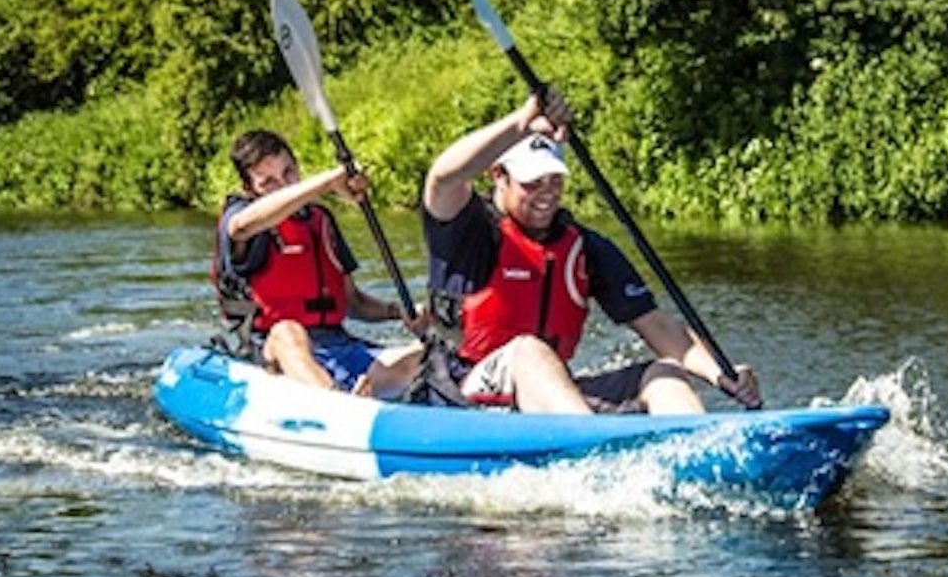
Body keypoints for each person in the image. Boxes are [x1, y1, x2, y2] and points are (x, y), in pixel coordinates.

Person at [421, 89, 761, 414]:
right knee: (529, 351)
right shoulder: (465, 229)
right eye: (532, 183)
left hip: (551, 397)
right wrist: (521, 123)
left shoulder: (584, 247)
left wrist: (720, 373)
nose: (546, 194)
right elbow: (442, 178)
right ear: (499, 176)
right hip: (464, 391)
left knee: (664, 373)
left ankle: (699, 444)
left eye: (554, 180)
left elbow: (656, 325)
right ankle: (591, 449)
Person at [214, 129, 425, 396]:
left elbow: (353, 302)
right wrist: (329, 181)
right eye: (268, 181)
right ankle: (337, 400)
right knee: (288, 332)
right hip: (270, 349)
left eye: (289, 172)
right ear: (249, 189)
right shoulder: (242, 219)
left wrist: (400, 311)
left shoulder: (320, 220)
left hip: (336, 345)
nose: (284, 185)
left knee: (424, 356)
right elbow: (241, 227)